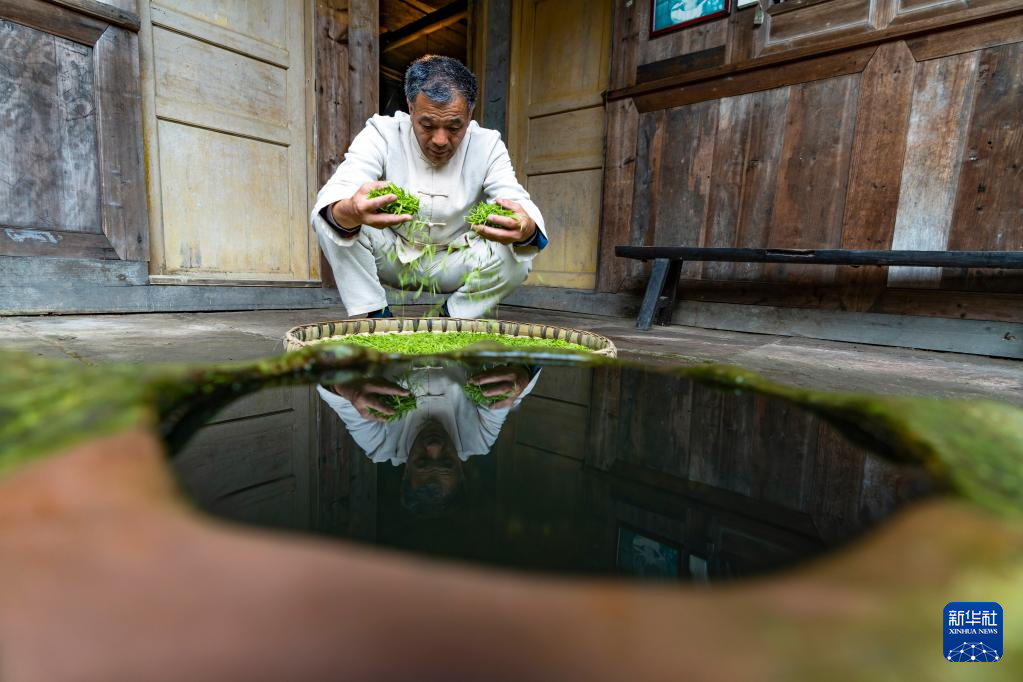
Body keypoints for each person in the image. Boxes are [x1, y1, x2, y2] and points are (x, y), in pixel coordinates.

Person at [311, 55, 548, 319]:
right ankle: (376, 317)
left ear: (469, 114)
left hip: (457, 259)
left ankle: (450, 318)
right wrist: (352, 210)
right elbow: (341, 188)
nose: (440, 140)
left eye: (454, 127)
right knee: (331, 215)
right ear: (411, 108)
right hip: (392, 255)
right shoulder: (382, 133)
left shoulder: (488, 145)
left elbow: (514, 198)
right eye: (427, 125)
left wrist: (525, 227)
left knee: (518, 257)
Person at [318, 363, 540, 516]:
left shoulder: (380, 445)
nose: (434, 447)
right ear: (461, 470)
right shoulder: (479, 439)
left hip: (390, 325)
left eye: (422, 461)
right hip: (459, 325)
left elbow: (331, 390)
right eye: (447, 462)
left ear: (405, 471)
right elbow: (511, 391)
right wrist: (521, 376)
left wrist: (347, 389)